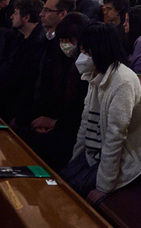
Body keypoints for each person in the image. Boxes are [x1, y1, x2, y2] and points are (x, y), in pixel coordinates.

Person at [60, 23, 141, 205]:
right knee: (61, 180)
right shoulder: (95, 74)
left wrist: (104, 186)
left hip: (127, 159)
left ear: (100, 50)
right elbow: (86, 123)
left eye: (86, 52)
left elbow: (115, 137)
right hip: (96, 153)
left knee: (70, 197)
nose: (82, 57)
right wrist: (75, 161)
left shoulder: (123, 81)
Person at [12, 12, 90, 172]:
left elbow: (82, 115)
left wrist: (54, 124)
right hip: (60, 123)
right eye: (62, 40)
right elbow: (54, 99)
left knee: (34, 143)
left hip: (75, 133)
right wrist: (44, 121)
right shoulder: (63, 63)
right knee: (23, 134)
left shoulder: (88, 70)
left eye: (70, 40)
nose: (65, 45)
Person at [0, 0, 47, 121]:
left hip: (12, 106)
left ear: (26, 18)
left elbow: (26, 84)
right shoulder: (19, 36)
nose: (11, 16)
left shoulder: (38, 43)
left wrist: (17, 118)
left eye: (15, 13)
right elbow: (3, 65)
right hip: (1, 97)